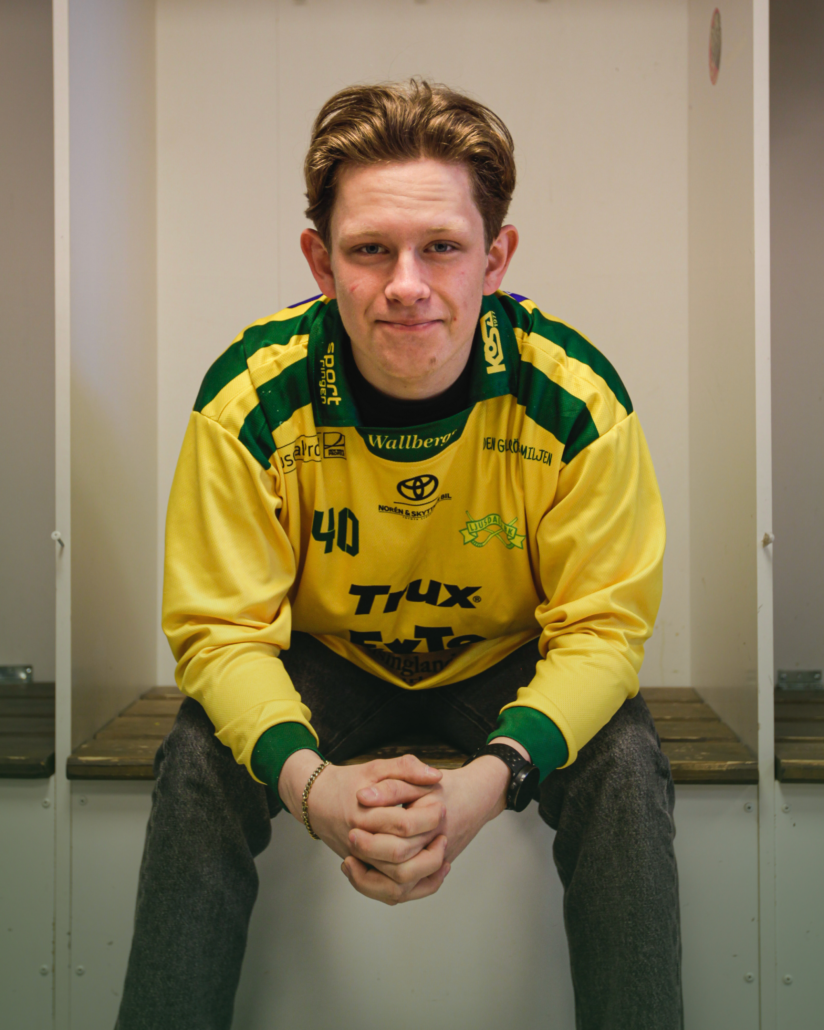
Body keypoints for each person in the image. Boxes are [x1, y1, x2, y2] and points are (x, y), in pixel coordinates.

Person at [116, 80, 681, 1030]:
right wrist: (310, 785)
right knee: (199, 754)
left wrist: (490, 779)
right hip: (330, 663)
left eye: (442, 248)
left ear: (496, 259)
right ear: (320, 261)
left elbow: (604, 631)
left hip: (502, 662)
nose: (406, 284)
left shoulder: (575, 396)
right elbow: (221, 633)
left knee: (625, 757)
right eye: (370, 249)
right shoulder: (249, 395)